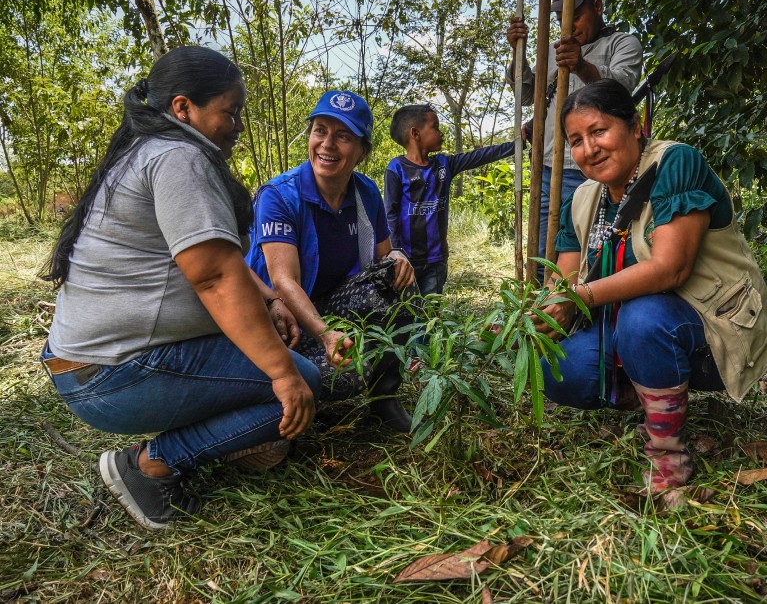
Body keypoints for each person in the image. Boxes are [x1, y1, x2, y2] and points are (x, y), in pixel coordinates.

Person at [40, 46, 320, 530]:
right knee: (302, 383)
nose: (236, 125)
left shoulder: (146, 152)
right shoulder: (177, 158)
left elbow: (218, 259)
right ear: (183, 108)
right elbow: (213, 276)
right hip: (113, 375)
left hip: (89, 364)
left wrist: (269, 299)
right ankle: (150, 465)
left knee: (278, 362)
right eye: (229, 112)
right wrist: (282, 373)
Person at [536, 79, 767, 492]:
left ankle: (667, 453)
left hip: (710, 326)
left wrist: (579, 296)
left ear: (635, 127)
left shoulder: (674, 163)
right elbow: (563, 279)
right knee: (557, 367)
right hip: (637, 331)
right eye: (575, 140)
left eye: (599, 131)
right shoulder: (582, 198)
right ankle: (653, 399)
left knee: (643, 316)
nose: (588, 149)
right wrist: (540, 313)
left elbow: (671, 269)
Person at [246, 91, 417, 432]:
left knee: (395, 277)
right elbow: (283, 281)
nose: (327, 144)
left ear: (362, 151)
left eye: (343, 136)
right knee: (340, 379)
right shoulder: (280, 195)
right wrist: (326, 335)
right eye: (320, 130)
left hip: (329, 303)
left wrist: (398, 256)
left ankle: (384, 400)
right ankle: (281, 392)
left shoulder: (365, 192)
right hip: (279, 320)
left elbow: (385, 258)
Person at [506, 0, 643, 272]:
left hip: (593, 170)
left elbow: (619, 90)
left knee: (590, 256)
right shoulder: (556, 51)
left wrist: (581, 65)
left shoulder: (623, 44)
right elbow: (529, 94)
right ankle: (540, 311)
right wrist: (518, 51)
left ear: (597, 6)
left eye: (576, 15)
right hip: (546, 166)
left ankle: (583, 312)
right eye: (560, 18)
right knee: (543, 254)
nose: (568, 25)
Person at [385, 104, 515, 295]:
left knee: (430, 313)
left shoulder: (444, 164)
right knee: (406, 312)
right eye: (435, 127)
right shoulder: (396, 169)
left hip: (436, 260)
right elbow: (390, 214)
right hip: (406, 261)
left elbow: (480, 156)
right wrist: (395, 253)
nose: (441, 133)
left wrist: (516, 143)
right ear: (415, 133)